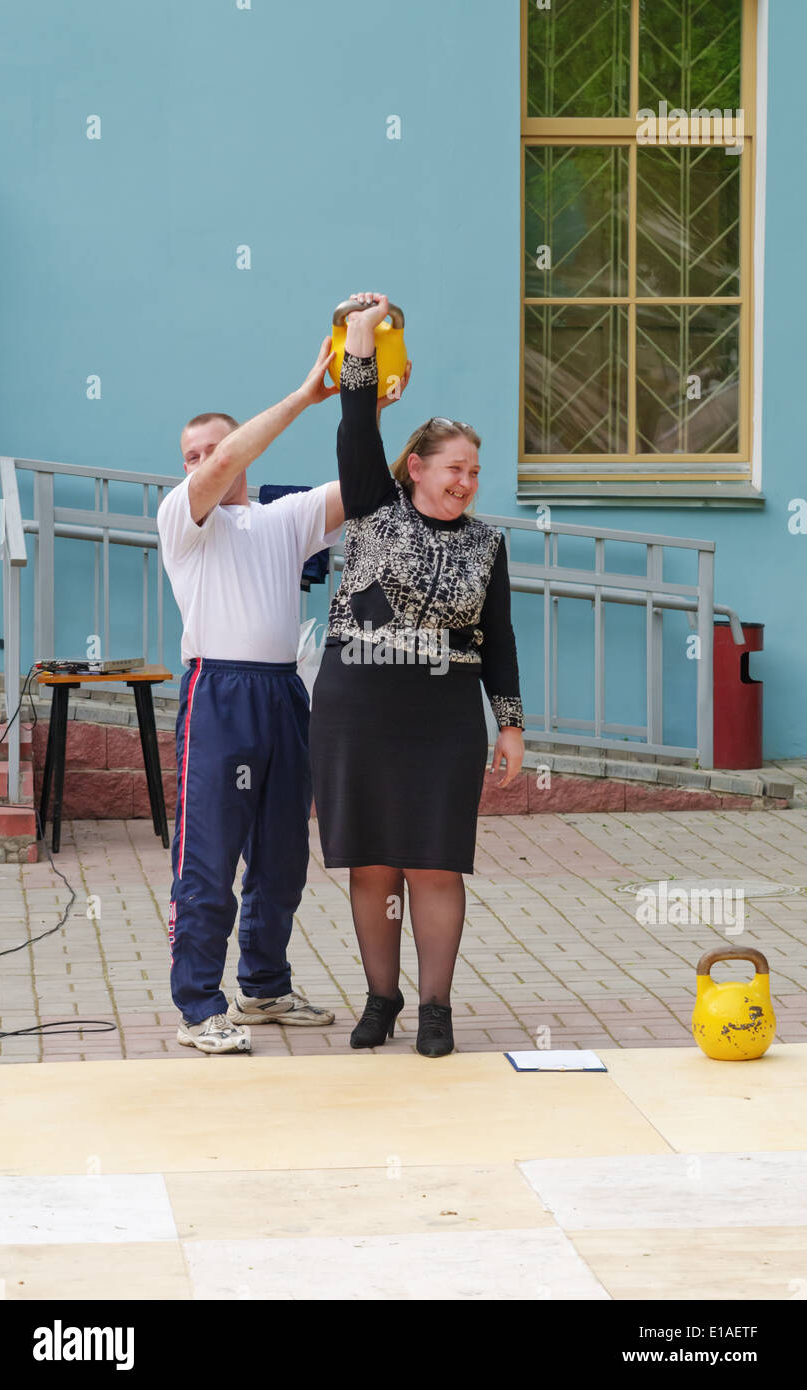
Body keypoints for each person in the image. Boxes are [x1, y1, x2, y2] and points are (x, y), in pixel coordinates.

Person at [309, 293, 525, 1058]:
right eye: (454, 468)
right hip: (357, 705)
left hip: (442, 718)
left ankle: (436, 1009)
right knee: (371, 864)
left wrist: (512, 724)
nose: (467, 481)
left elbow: (496, 637)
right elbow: (355, 419)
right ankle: (382, 999)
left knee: (434, 861)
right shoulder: (372, 506)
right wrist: (361, 338)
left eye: (474, 470)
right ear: (416, 468)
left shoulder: (489, 543)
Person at [157, 337, 344, 1054]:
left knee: (282, 858)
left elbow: (365, 486)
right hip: (219, 694)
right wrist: (306, 394)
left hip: (281, 694)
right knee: (207, 862)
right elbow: (227, 465)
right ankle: (200, 1007)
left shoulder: (280, 518)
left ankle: (263, 989)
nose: (204, 460)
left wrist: (365, 396)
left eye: (216, 447)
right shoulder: (183, 519)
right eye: (191, 454)